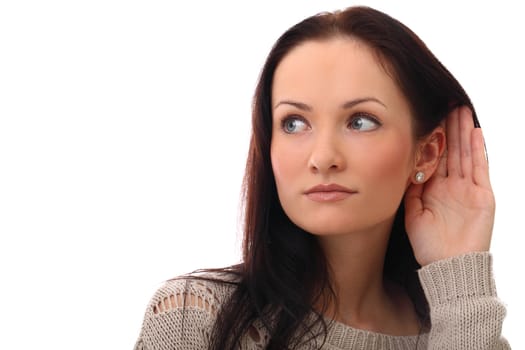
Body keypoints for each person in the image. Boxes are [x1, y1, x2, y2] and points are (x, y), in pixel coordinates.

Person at [134, 5, 510, 349]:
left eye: (360, 121)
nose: (323, 157)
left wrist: (459, 276)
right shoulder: (195, 318)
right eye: (294, 123)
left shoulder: (465, 326)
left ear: (426, 152)